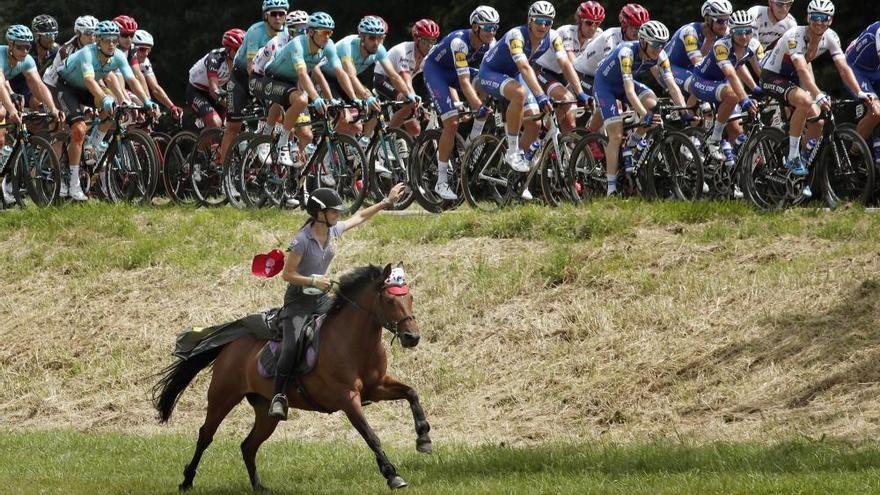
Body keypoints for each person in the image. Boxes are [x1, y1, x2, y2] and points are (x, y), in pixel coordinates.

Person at [269, 183, 406, 420]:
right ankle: (278, 397)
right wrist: (312, 280)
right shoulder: (301, 240)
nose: (338, 214)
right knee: (291, 346)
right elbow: (287, 275)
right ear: (320, 214)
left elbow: (360, 216)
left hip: (322, 298)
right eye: (334, 211)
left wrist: (387, 201)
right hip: (299, 302)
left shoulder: (333, 231)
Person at [759, 0, 878, 183]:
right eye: (815, 17)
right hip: (772, 75)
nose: (819, 22)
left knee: (819, 120)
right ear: (808, 17)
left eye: (824, 18)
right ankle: (792, 157)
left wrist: (859, 92)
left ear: (830, 20)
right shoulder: (795, 36)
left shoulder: (831, 37)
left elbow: (844, 69)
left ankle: (803, 164)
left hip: (792, 79)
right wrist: (818, 94)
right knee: (805, 101)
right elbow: (801, 70)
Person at [422, 5, 499, 201]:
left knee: (485, 80)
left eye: (495, 27)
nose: (492, 32)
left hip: (455, 72)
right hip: (436, 71)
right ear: (475, 27)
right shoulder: (459, 42)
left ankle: (474, 141)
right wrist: (478, 106)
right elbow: (464, 82)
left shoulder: (490, 44)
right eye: (488, 27)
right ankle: (441, 182)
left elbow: (489, 74)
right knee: (452, 122)